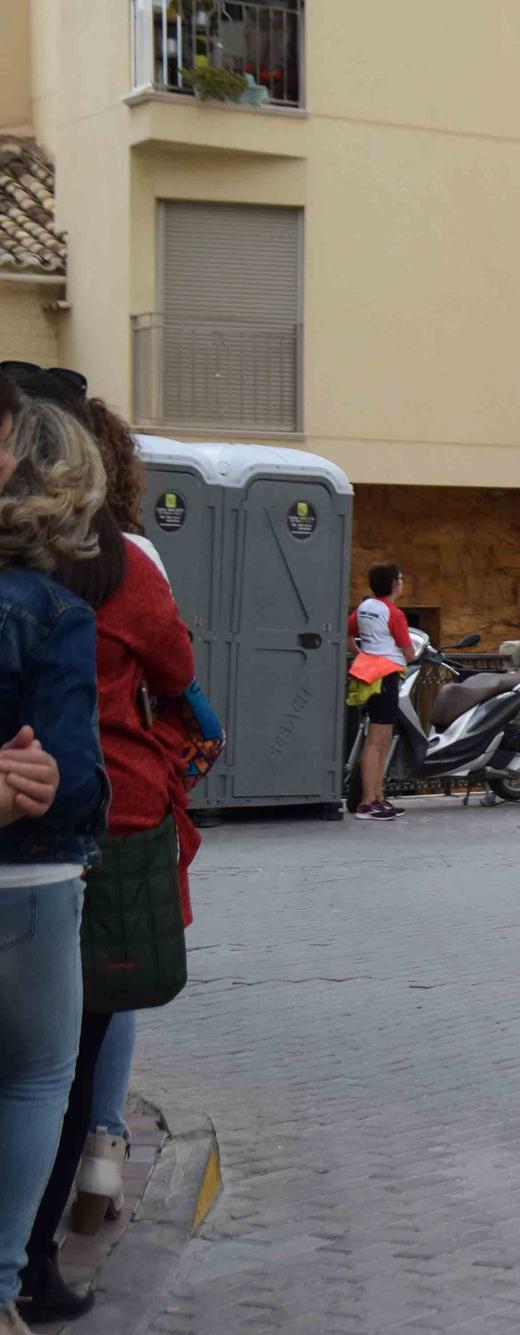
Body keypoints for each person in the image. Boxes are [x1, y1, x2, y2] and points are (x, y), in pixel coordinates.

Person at [6, 378, 197, 1320]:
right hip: (98, 833)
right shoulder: (124, 567)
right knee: (68, 1053)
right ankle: (47, 1239)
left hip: (65, 826)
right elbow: (178, 666)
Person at [0, 388, 110, 1331]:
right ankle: (1, 1289)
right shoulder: (53, 612)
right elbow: (70, 783)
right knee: (37, 1080)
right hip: (33, 887)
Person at [347, 563, 413, 821]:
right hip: (386, 676)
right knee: (377, 741)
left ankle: (377, 797)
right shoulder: (394, 614)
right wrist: (412, 655)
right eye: (401, 578)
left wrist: (362, 655)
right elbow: (409, 651)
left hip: (368, 675)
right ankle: (367, 802)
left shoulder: (365, 608)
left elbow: (347, 634)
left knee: (378, 740)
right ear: (395, 584)